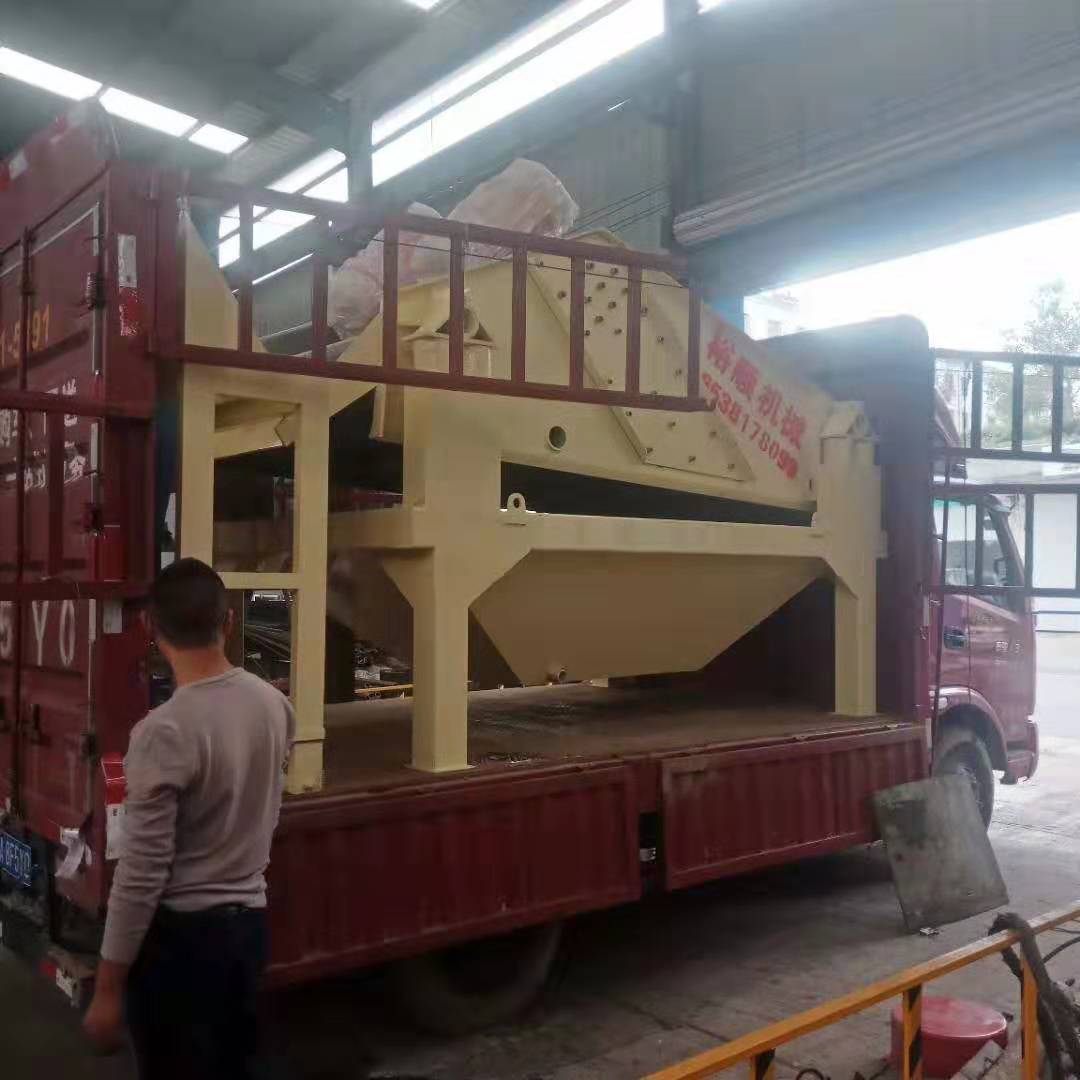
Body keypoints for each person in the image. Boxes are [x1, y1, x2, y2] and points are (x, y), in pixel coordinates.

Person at [83, 558, 296, 1079]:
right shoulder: (274, 705)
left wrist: (107, 989)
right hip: (249, 932)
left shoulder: (163, 732)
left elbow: (141, 873)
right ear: (228, 622)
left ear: (150, 628)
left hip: (182, 948)